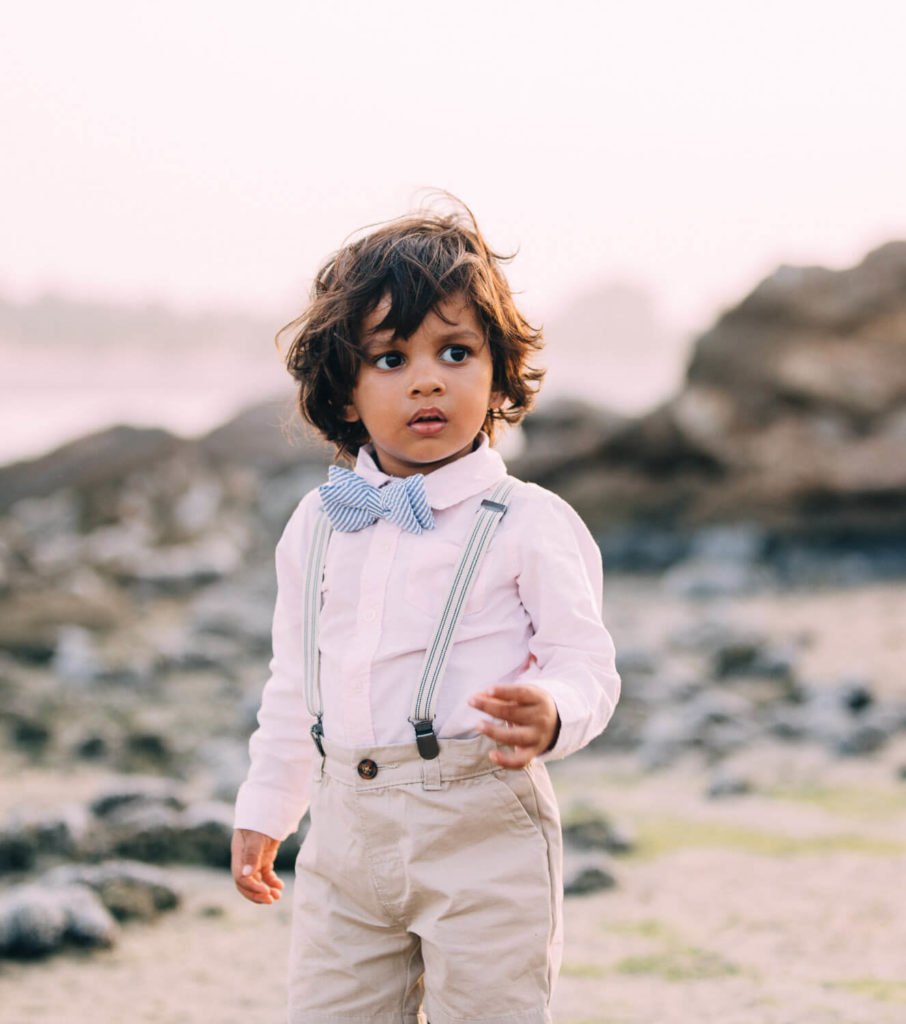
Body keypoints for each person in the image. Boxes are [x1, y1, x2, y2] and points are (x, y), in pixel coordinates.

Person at [231, 199, 622, 1024]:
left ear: (498, 372)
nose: (427, 378)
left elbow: (586, 664)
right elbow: (295, 682)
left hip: (480, 825)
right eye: (389, 358)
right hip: (343, 829)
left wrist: (553, 710)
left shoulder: (528, 522)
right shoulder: (318, 522)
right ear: (342, 393)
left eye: (455, 351)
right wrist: (268, 808)